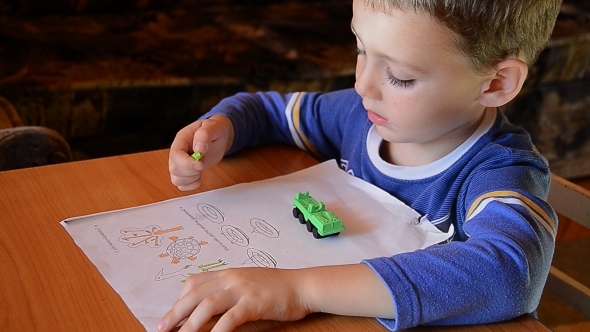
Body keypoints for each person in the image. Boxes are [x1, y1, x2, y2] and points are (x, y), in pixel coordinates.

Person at [161, 0, 562, 331]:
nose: (362, 85)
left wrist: (300, 290)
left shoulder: (501, 170)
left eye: (400, 76)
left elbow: (511, 272)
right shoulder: (357, 114)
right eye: (361, 50)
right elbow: (266, 111)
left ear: (495, 83)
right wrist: (219, 129)